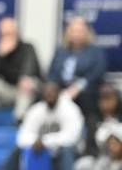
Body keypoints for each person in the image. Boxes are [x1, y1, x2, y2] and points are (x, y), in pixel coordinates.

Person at [49, 17, 107, 155]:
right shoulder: (60, 52)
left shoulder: (95, 52)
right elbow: (51, 74)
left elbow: (97, 72)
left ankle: (90, 151)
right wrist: (57, 90)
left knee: (89, 102)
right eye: (73, 30)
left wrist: (78, 87)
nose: (76, 34)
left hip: (85, 94)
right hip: (61, 93)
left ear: (87, 33)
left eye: (80, 31)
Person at [0, 17, 42, 125]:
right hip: (7, 92)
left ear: (17, 33)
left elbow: (31, 68)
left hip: (25, 92)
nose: (7, 37)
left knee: (28, 81)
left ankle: (19, 119)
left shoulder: (28, 47)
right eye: (4, 34)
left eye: (10, 33)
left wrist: (24, 77)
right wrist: (0, 55)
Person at [7, 82, 83, 170]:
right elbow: (22, 137)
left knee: (66, 150)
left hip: (65, 150)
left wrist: (45, 141)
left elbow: (71, 137)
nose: (49, 95)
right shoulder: (36, 109)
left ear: (58, 93)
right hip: (42, 150)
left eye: (52, 92)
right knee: (19, 149)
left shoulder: (70, 109)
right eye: (46, 93)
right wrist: (35, 142)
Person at [77, 85, 122, 170]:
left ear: (117, 100)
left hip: (119, 157)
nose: (106, 104)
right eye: (103, 99)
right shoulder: (92, 120)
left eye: (109, 99)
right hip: (99, 157)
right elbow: (89, 147)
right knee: (83, 163)